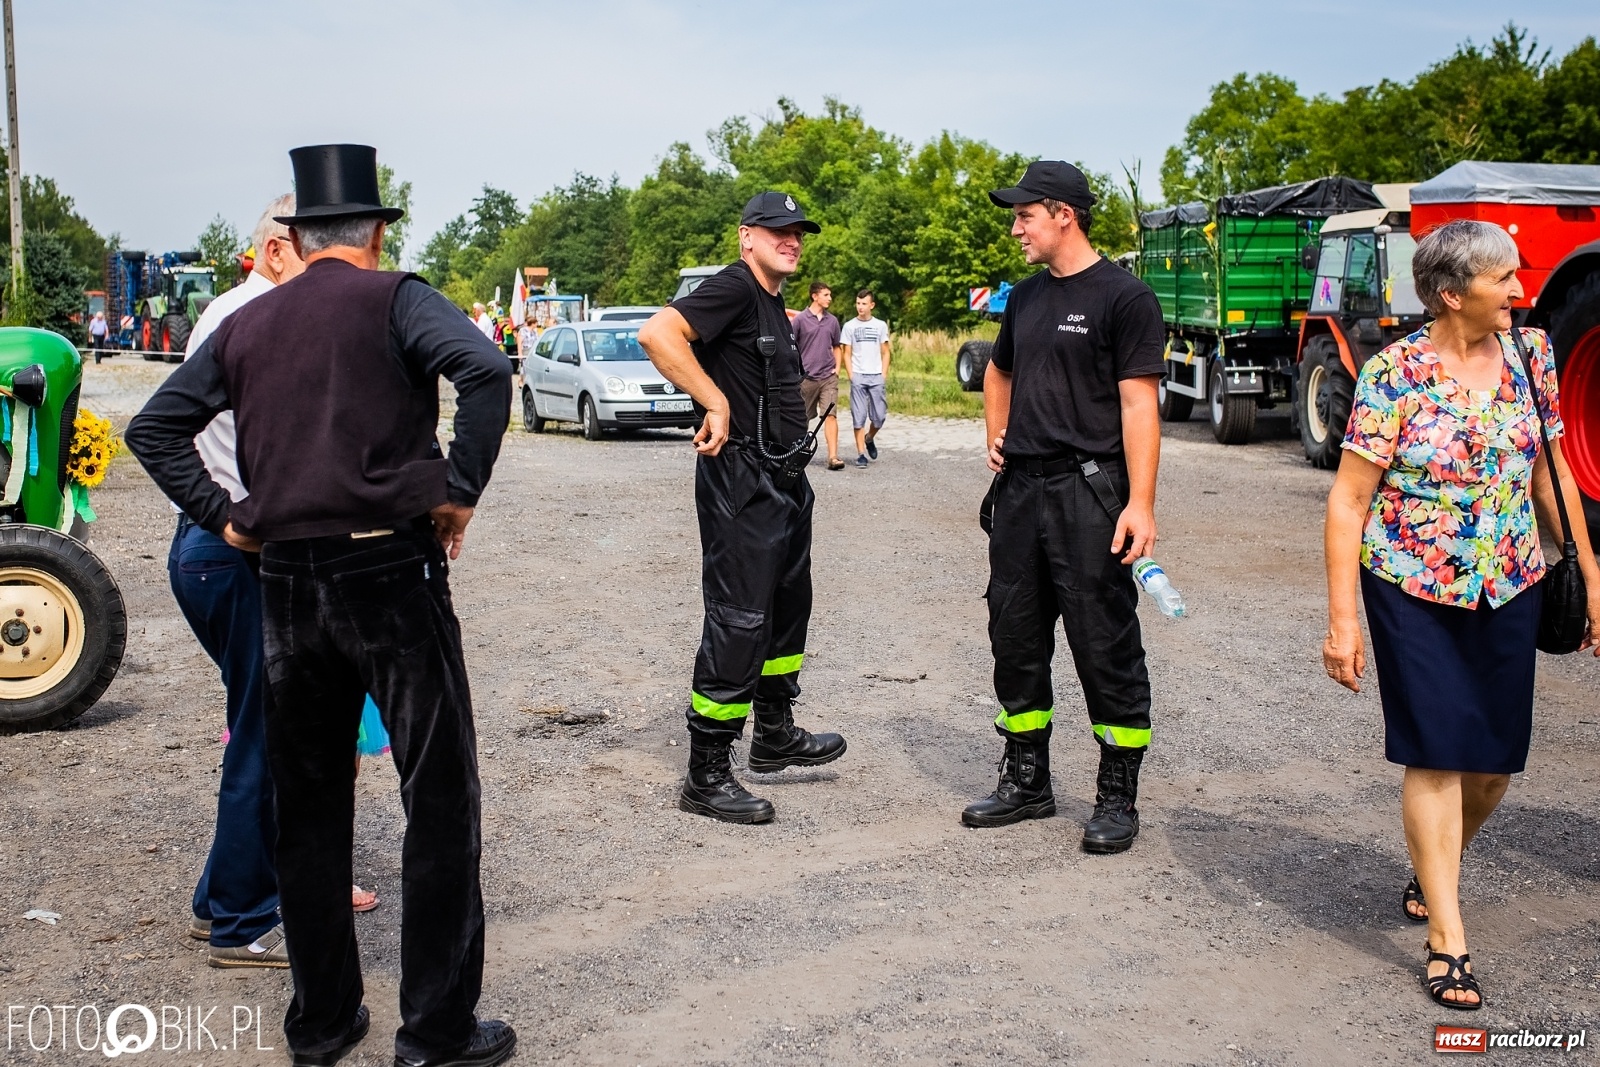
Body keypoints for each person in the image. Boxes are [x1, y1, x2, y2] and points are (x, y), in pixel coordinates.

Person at [126, 144, 516, 1067]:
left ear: (299, 238)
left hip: (288, 579)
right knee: (438, 795)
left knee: (306, 804)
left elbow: (155, 426)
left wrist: (226, 517)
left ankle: (323, 1021)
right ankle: (435, 1032)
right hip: (390, 572)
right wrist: (459, 489)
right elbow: (487, 371)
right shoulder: (397, 298)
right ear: (376, 232)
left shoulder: (250, 322)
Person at [1322, 219, 1600, 1010]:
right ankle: (1448, 937)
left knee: (1492, 767)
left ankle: (1432, 862)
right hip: (1411, 585)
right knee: (1437, 755)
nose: (1518, 288)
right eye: (1502, 277)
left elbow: (1551, 475)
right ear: (1451, 293)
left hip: (1510, 582)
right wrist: (1343, 619)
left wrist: (1589, 570)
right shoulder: (1394, 373)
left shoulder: (1532, 354)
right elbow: (1348, 501)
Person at [961, 160, 1165, 855]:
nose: (1016, 228)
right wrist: (997, 432)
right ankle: (1027, 780)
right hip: (1021, 491)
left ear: (1064, 215)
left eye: (1025, 216)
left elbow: (1139, 406)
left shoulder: (1125, 298)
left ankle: (1116, 794)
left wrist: (1141, 503)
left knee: (1103, 641)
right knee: (1014, 633)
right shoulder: (1023, 298)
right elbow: (998, 371)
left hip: (1090, 490)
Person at [638, 191, 847, 824]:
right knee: (739, 618)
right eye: (778, 230)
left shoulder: (773, 301)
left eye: (798, 232)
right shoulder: (733, 286)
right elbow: (657, 333)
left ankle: (773, 732)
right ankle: (706, 774)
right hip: (741, 480)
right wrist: (714, 400)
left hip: (784, 478)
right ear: (746, 236)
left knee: (786, 607)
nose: (792, 239)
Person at [165, 193, 303, 970]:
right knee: (265, 735)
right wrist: (224, 516)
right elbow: (161, 430)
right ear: (276, 249)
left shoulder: (230, 309)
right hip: (232, 551)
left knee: (258, 724)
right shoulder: (253, 317)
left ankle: (217, 898)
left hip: (211, 549)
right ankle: (244, 921)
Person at [794, 282, 844, 470]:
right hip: (806, 378)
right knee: (802, 418)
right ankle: (797, 452)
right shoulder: (800, 320)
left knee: (830, 415)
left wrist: (837, 369)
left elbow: (837, 347)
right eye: (826, 295)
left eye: (830, 294)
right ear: (815, 296)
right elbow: (791, 346)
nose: (830, 298)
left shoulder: (832, 321)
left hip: (827, 377)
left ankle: (833, 457)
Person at [839, 290, 890, 469]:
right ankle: (861, 454)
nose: (860, 307)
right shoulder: (849, 326)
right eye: (858, 303)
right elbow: (846, 353)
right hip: (858, 375)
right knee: (858, 416)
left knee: (879, 417)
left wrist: (883, 374)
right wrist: (851, 375)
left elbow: (886, 352)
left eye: (864, 304)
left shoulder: (880, 325)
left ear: (871, 305)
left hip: (876, 376)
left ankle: (869, 438)